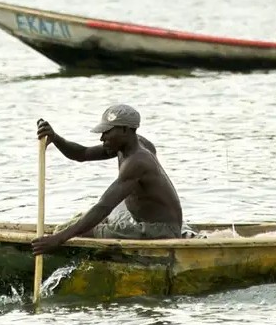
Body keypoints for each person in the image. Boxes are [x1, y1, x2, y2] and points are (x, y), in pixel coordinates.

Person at [32, 104, 187, 254]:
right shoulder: (128, 145)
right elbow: (83, 154)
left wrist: (58, 240)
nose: (102, 138)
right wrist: (55, 137)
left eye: (107, 132)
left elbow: (104, 206)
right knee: (70, 225)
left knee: (74, 231)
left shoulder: (137, 162)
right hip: (139, 218)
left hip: (160, 230)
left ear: (125, 130)